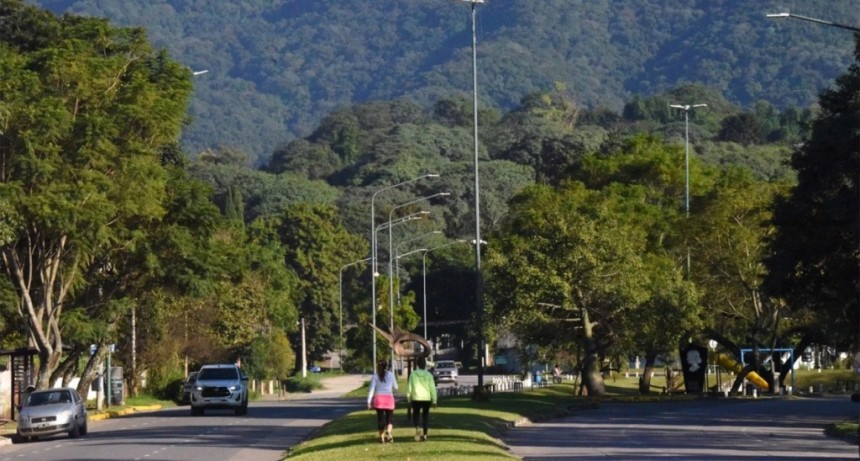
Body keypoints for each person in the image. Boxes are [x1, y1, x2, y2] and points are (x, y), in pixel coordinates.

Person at [407, 356, 438, 442]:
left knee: (416, 415)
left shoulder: (413, 374)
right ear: (425, 365)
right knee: (425, 416)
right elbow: (432, 388)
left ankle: (417, 427)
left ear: (417, 364)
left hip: (416, 398)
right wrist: (434, 400)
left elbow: (409, 387)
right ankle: (425, 435)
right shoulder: (429, 375)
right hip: (426, 398)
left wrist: (409, 398)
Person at [368, 359, 398, 443]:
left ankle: (381, 438)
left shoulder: (375, 376)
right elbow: (396, 387)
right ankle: (388, 431)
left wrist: (368, 401)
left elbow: (371, 389)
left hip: (379, 400)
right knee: (389, 419)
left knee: (380, 419)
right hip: (389, 399)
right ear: (386, 366)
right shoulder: (391, 375)